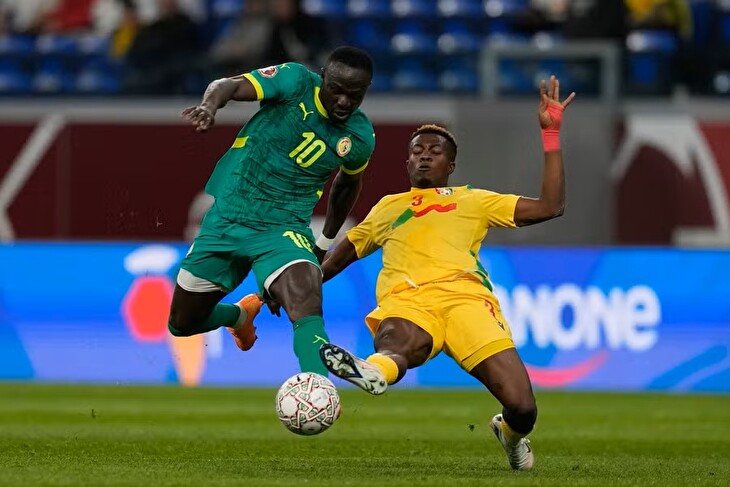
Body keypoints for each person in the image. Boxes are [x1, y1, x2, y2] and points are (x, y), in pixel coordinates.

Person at [318, 76, 574, 471]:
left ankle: (509, 433)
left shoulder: (475, 201)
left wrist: (551, 134)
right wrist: (290, 289)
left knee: (523, 408)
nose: (424, 156)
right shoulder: (388, 207)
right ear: (407, 162)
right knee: (400, 343)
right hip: (408, 301)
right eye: (416, 151)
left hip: (467, 303)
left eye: (434, 151)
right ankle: (374, 371)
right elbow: (339, 258)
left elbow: (550, 206)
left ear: (450, 165)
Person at [167, 46, 376, 378]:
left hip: (283, 228)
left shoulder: (360, 136)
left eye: (355, 95)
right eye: (337, 90)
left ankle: (318, 389)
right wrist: (209, 106)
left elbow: (347, 186)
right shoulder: (294, 81)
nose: (344, 101)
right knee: (182, 322)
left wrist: (322, 244)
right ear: (323, 77)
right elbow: (228, 85)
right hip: (229, 216)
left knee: (306, 298)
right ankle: (239, 317)